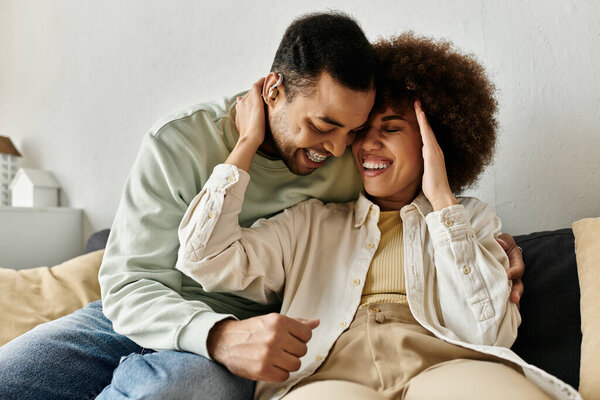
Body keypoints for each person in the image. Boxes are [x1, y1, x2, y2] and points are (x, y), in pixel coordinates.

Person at [0, 13, 524, 400]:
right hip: (138, 316)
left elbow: (415, 203)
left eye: (354, 130)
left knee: (169, 391)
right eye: (323, 126)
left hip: (253, 335)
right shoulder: (179, 142)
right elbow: (128, 284)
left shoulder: (354, 164)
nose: (341, 149)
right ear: (273, 88)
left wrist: (487, 254)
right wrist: (244, 150)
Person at [175, 33, 580, 399]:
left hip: (444, 363)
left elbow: (488, 331)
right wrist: (247, 143)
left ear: (432, 141)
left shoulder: (468, 219)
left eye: (390, 128)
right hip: (327, 374)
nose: (368, 144)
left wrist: (441, 198)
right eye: (360, 131)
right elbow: (204, 258)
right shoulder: (310, 222)